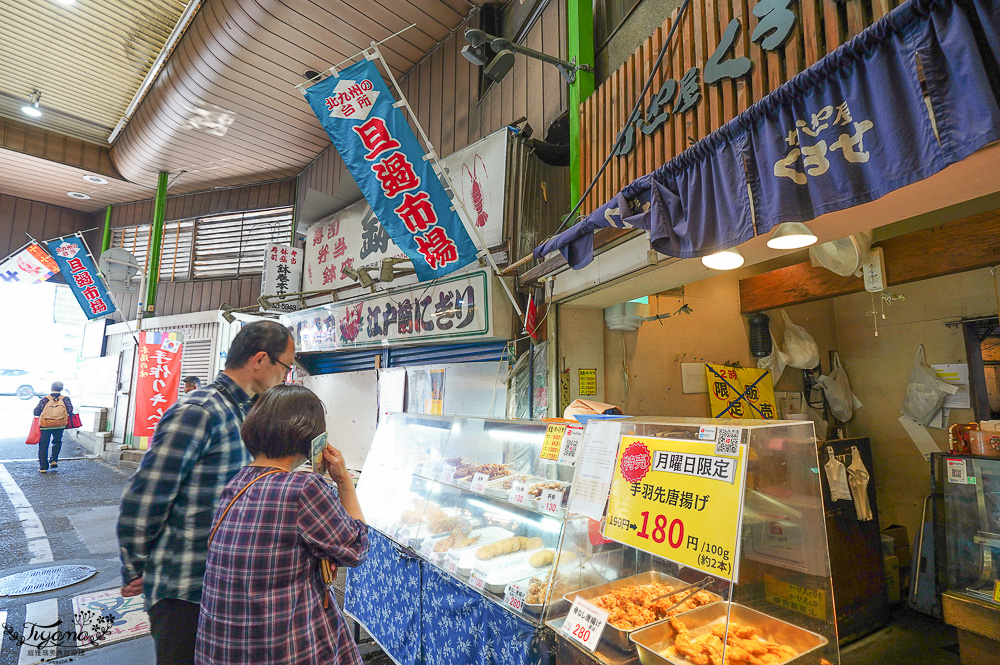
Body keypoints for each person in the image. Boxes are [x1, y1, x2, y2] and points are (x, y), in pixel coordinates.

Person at [117, 320, 295, 665]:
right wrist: (136, 566)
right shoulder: (200, 411)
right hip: (185, 589)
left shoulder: (247, 412)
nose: (286, 376)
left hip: (222, 586)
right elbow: (144, 499)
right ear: (260, 359)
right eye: (286, 366)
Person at [195, 385, 367, 665]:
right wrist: (344, 481)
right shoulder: (303, 487)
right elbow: (356, 547)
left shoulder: (236, 483)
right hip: (282, 648)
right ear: (313, 437)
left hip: (221, 648)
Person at [33, 381, 73, 473]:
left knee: (43, 445)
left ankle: (43, 467)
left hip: (46, 425)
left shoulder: (45, 399)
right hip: (59, 425)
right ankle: (54, 460)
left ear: (51, 388)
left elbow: (36, 412)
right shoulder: (65, 399)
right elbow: (70, 410)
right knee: (57, 441)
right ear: (61, 389)